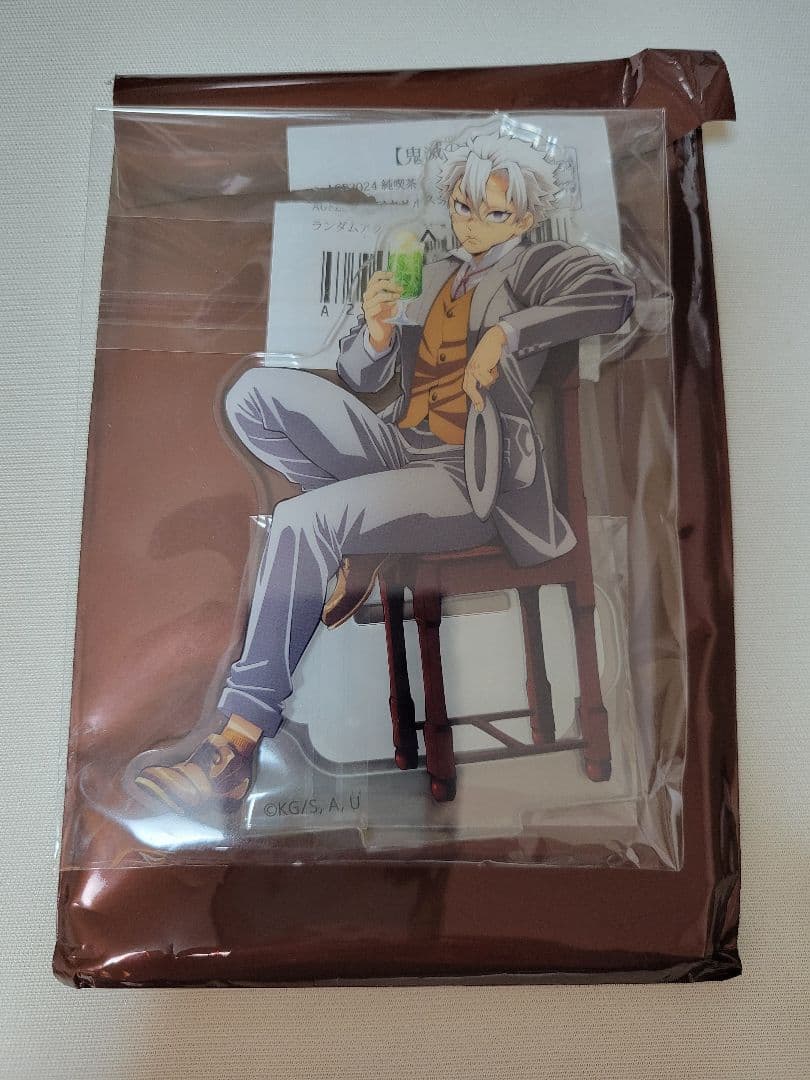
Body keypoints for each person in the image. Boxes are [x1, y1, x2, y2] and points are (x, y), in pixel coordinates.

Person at [134, 131, 635, 815]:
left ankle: (236, 746)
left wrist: (508, 333)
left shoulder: (535, 267)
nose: (472, 224)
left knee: (303, 520)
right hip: (399, 448)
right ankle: (358, 543)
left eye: (493, 213)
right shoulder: (438, 272)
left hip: (470, 479)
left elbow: (612, 293)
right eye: (462, 207)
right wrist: (374, 330)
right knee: (254, 395)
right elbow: (363, 377)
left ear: (523, 216)